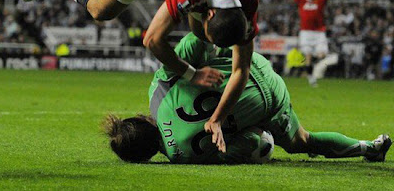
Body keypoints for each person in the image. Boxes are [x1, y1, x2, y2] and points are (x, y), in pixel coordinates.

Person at [21, 0, 260, 151]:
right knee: (101, 10)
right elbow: (152, 40)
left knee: (200, 34)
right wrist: (191, 73)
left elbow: (242, 70)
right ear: (210, 12)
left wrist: (218, 119)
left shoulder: (247, 5)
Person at [104, 33, 391, 164]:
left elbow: (251, 144)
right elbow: (193, 44)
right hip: (250, 64)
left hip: (270, 103)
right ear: (142, 118)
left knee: (302, 142)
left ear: (145, 156)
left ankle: (368, 147)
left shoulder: (184, 157)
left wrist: (258, 139)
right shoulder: (158, 92)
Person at [277, 0, 351, 86]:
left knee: (322, 54)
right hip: (305, 33)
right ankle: (311, 77)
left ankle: (311, 69)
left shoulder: (321, 1)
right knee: (308, 56)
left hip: (319, 32)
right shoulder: (301, 1)